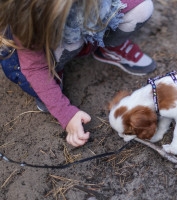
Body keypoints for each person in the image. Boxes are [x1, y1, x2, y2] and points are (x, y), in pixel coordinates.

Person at [0, 0, 155, 147]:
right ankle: (53, 70)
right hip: (35, 52)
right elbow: (34, 68)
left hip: (81, 18)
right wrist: (65, 113)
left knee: (142, 8)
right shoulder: (29, 16)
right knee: (69, 44)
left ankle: (105, 44)